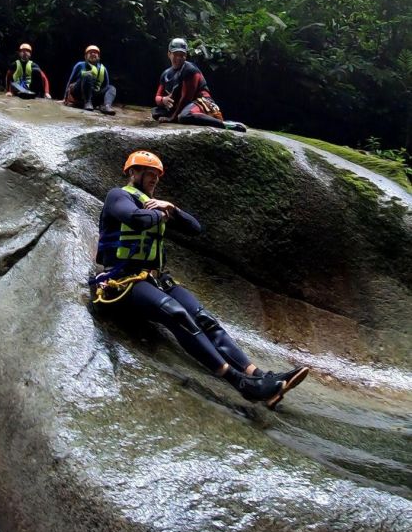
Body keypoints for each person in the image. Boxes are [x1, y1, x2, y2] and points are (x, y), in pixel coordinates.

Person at [92, 151, 307, 407]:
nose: (155, 180)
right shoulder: (119, 195)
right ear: (133, 173)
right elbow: (136, 220)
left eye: (157, 176)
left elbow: (194, 228)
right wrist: (162, 213)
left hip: (154, 279)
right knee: (176, 314)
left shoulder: (157, 204)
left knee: (204, 318)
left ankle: (260, 378)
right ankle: (241, 384)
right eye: (150, 174)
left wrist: (172, 209)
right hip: (123, 282)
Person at [152, 38, 246, 131]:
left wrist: (172, 118)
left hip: (201, 101)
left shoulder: (189, 70)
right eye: (176, 54)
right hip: (184, 105)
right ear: (169, 54)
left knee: (184, 116)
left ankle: (224, 124)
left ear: (186, 56)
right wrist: (163, 100)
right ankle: (182, 115)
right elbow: (158, 96)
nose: (179, 58)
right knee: (156, 112)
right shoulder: (166, 74)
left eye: (182, 55)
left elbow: (186, 98)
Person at [64, 45, 117, 115]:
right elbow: (70, 81)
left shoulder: (103, 69)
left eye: (95, 53)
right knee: (87, 75)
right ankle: (87, 102)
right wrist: (64, 98)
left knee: (111, 88)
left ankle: (106, 106)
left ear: (99, 57)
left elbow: (106, 86)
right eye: (90, 52)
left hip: (94, 95)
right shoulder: (80, 65)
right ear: (85, 56)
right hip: (79, 93)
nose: (93, 54)